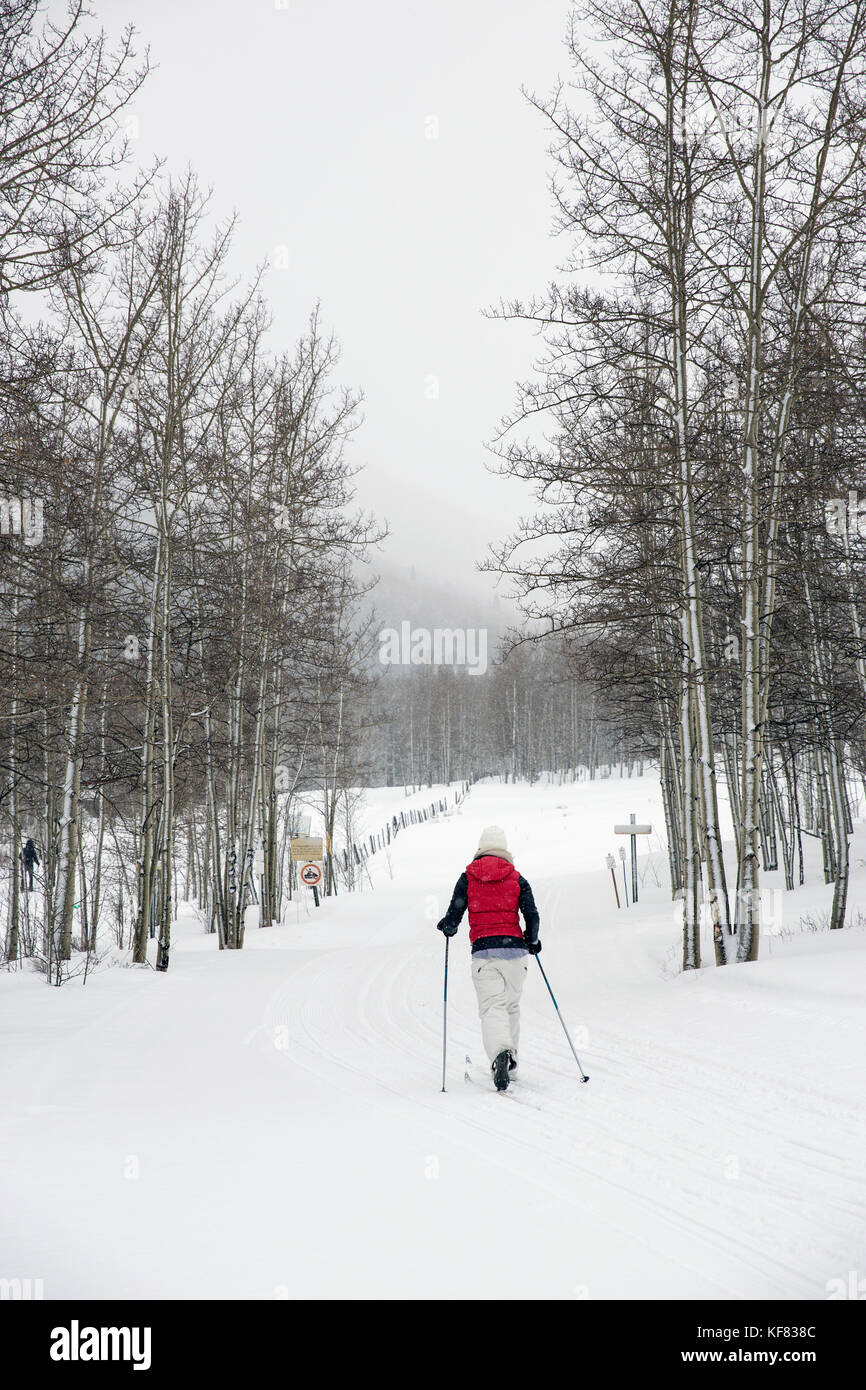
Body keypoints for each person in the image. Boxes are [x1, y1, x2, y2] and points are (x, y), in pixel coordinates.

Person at [436, 825, 541, 1092]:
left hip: (484, 952)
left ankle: (500, 1056)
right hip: (516, 953)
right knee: (511, 1007)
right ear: (504, 849)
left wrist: (448, 926)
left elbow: (455, 912)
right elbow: (532, 915)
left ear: (480, 848)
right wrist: (532, 939)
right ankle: (511, 1064)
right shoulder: (517, 878)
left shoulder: (468, 877)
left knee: (492, 1007)